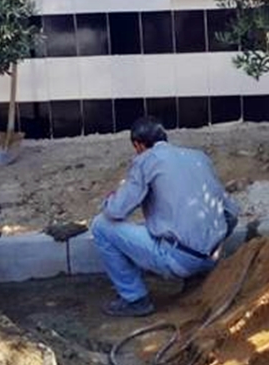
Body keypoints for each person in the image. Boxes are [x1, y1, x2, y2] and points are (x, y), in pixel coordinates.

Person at [90, 116, 239, 317]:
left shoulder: (145, 161)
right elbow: (232, 214)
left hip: (180, 261)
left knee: (101, 226)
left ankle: (135, 299)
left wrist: (109, 200)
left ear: (138, 145)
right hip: (212, 257)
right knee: (165, 226)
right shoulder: (198, 157)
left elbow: (116, 211)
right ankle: (199, 274)